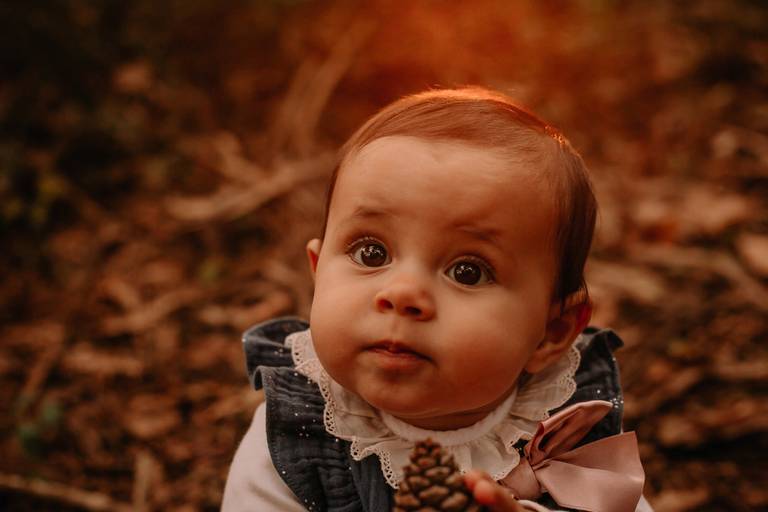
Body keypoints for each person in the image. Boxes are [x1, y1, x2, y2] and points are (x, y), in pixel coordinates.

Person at [222, 88, 653, 511]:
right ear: (318, 273)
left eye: (468, 271)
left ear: (551, 333)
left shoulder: (567, 430)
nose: (403, 293)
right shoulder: (297, 434)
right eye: (371, 253)